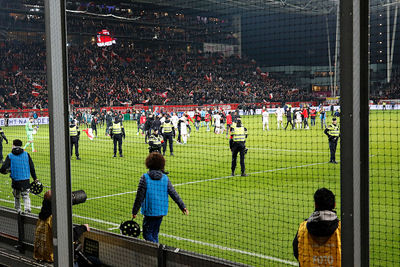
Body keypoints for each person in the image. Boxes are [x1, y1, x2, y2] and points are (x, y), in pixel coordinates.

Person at [131, 153, 189, 243]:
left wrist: (135, 211)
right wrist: (182, 206)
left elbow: (139, 197)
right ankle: (157, 253)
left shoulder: (145, 178)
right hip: (161, 212)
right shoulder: (165, 178)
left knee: (147, 234)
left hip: (149, 213)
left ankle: (157, 250)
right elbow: (174, 193)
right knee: (154, 233)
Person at [33, 190, 91, 263]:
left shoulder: (42, 217)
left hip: (40, 257)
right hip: (54, 260)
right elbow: (69, 237)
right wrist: (83, 228)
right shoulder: (53, 219)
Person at [293, 188, 341, 267]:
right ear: (334, 204)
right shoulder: (342, 228)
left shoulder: (303, 228)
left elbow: (297, 252)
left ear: (315, 204)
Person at [0, 139, 37, 213]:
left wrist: (7, 170)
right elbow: (31, 167)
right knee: (26, 196)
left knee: (17, 197)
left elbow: (3, 168)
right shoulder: (26, 154)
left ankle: (18, 211)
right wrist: (35, 178)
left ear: (13, 145)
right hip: (26, 180)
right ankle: (27, 211)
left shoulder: (10, 155)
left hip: (16, 181)